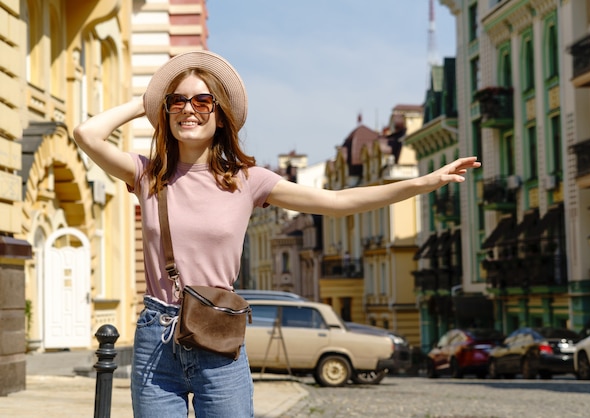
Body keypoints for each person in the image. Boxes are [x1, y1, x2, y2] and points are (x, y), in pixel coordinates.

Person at [73, 50, 480, 417]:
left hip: (218, 331)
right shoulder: (148, 174)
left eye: (202, 100)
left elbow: (337, 201)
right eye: (177, 101)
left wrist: (422, 183)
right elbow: (86, 134)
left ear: (220, 114)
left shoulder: (247, 181)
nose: (188, 110)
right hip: (157, 336)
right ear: (165, 112)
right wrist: (148, 99)